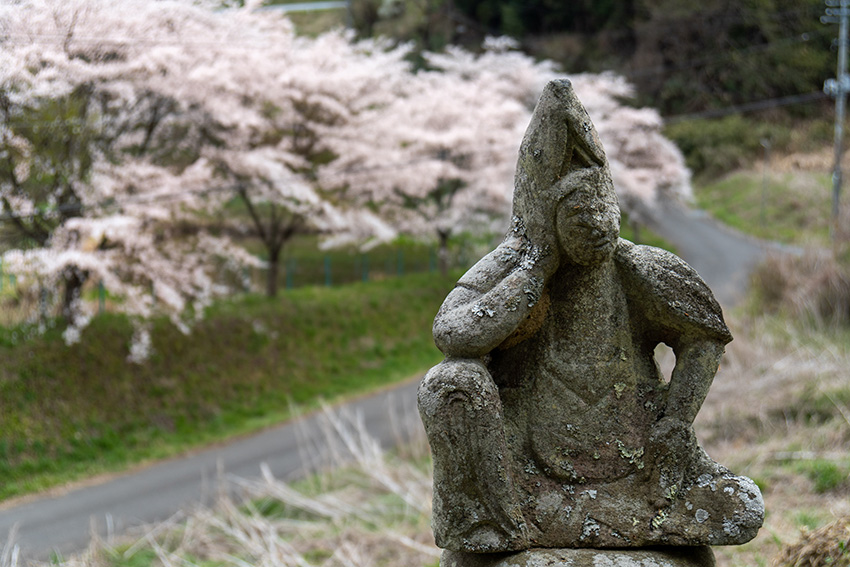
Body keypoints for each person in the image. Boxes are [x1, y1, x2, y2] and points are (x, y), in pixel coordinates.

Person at [418, 79, 763, 553]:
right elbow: (454, 333)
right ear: (549, 219)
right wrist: (537, 264)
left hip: (637, 465)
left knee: (738, 505)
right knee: (447, 383)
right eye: (580, 215)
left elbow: (703, 336)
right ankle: (494, 521)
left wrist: (675, 420)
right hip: (527, 470)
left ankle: (632, 516)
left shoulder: (639, 269)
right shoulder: (520, 263)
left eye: (604, 209)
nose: (598, 225)